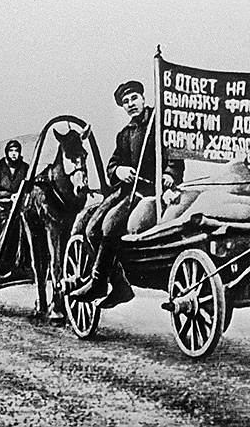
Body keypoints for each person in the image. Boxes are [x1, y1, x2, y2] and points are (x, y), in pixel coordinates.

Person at [71, 80, 184, 308]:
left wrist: (170, 174)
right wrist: (119, 170)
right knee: (92, 229)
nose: (130, 104)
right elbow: (112, 165)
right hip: (125, 191)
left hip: (150, 192)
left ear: (143, 98)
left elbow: (175, 154)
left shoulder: (160, 123)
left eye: (134, 98)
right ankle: (118, 285)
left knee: (109, 226)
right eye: (125, 102)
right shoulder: (124, 134)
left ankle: (98, 283)